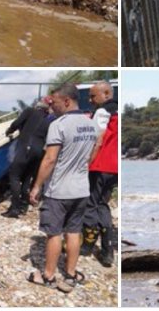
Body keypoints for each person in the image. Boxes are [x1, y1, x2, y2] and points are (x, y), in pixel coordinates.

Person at [27, 83, 97, 291]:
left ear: (67, 101)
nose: (52, 105)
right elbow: (93, 152)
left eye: (55, 101)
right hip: (81, 188)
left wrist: (36, 186)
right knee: (74, 231)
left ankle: (48, 276)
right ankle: (71, 274)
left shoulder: (59, 125)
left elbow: (49, 159)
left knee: (54, 233)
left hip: (59, 190)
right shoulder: (91, 124)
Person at [81, 82, 118, 266]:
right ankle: (107, 250)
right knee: (103, 205)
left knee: (91, 204)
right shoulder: (118, 111)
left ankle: (87, 245)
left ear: (106, 94)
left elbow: (98, 137)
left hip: (99, 165)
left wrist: (87, 162)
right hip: (114, 168)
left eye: (92, 96)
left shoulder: (103, 111)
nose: (90, 100)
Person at [3, 97, 54, 218]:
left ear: (38, 104)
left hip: (26, 147)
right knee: (27, 178)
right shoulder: (48, 120)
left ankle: (14, 208)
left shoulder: (29, 111)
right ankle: (23, 206)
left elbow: (16, 124)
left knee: (14, 176)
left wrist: (8, 131)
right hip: (38, 151)